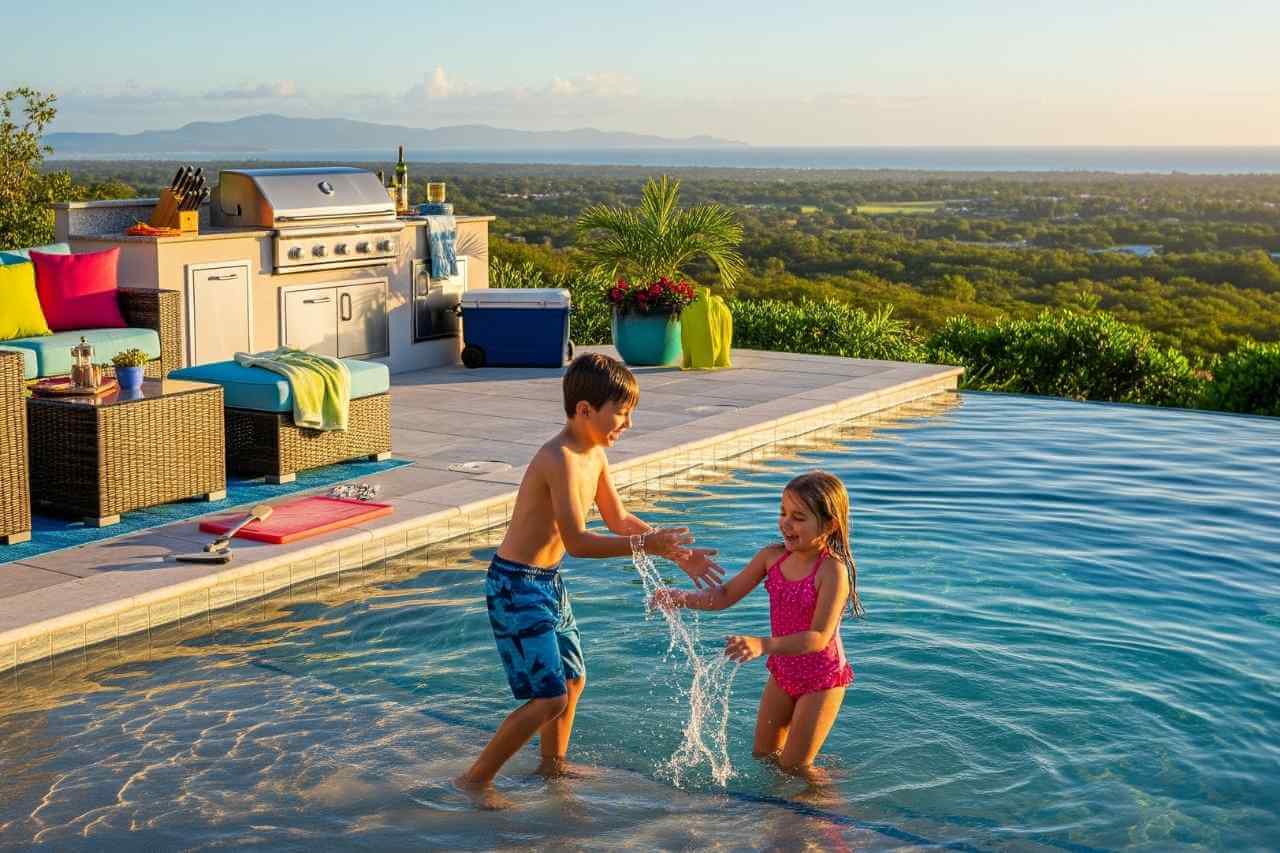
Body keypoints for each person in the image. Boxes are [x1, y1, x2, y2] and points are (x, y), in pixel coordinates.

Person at [456, 353, 723, 804]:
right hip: (515, 586)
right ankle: (475, 781)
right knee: (549, 698)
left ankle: (552, 766)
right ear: (584, 410)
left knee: (573, 680)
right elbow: (578, 541)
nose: (628, 424)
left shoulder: (594, 455)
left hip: (546, 582)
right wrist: (648, 545)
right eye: (621, 413)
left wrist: (675, 553)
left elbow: (618, 519)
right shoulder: (557, 458)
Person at [653, 470, 863, 781]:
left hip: (822, 677)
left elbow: (819, 637)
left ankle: (828, 808)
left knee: (796, 768)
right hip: (783, 671)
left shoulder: (831, 570)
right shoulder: (771, 558)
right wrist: (681, 598)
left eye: (798, 517)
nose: (786, 523)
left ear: (830, 524)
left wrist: (763, 645)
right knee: (764, 756)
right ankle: (777, 807)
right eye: (783, 513)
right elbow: (725, 595)